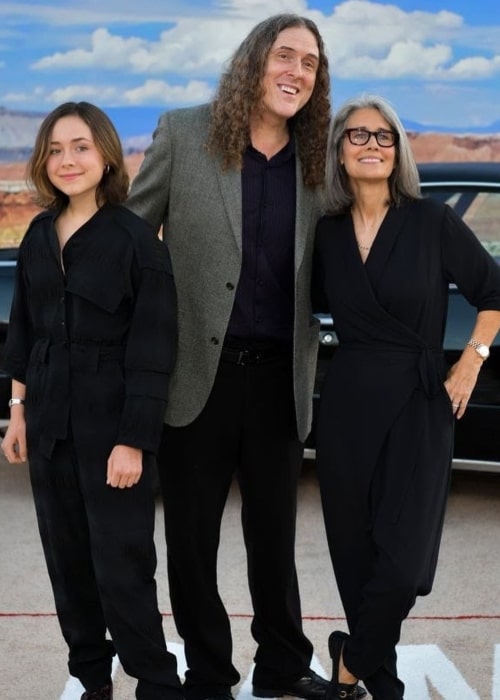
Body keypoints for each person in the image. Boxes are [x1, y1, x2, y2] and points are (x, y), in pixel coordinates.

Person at [126, 13, 351, 700]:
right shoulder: (184, 132)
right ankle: (209, 672)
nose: (297, 72)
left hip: (281, 378)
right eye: (285, 56)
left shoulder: (320, 157)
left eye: (310, 64)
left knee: (274, 540)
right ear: (254, 62)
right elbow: (133, 240)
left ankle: (282, 665)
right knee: (192, 543)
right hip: (197, 375)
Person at [312, 93, 500, 700]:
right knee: (355, 555)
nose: (371, 145)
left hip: (421, 403)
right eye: (358, 136)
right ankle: (380, 685)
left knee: (402, 567)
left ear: (398, 151)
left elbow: (493, 294)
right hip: (347, 406)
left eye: (383, 136)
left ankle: (348, 662)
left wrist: (469, 362)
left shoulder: (432, 222)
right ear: (340, 152)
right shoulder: (326, 234)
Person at [1, 102, 183, 700]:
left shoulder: (136, 242)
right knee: (68, 564)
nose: (67, 160)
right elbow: (23, 330)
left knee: (123, 568)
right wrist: (18, 412)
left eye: (80, 146)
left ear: (105, 154)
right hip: (49, 423)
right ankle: (92, 680)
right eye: (55, 149)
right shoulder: (36, 233)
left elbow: (153, 351)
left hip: (112, 433)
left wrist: (133, 440)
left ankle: (156, 683)